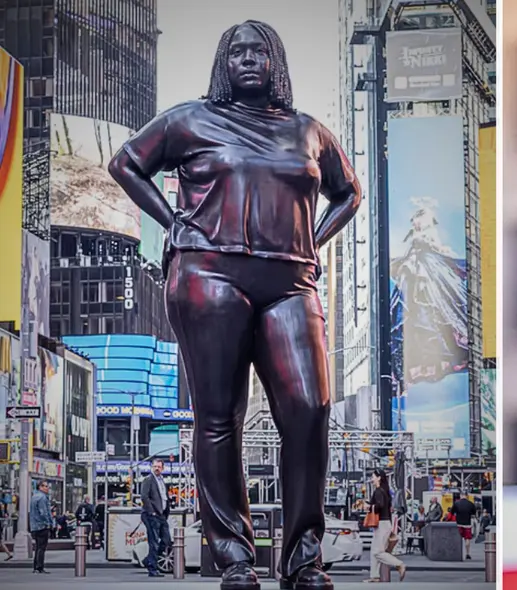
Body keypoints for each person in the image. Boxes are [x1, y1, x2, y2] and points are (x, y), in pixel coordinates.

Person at [108, 19, 360, 590]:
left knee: (310, 409)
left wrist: (311, 242)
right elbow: (125, 162)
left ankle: (303, 558)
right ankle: (235, 558)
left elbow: (349, 193)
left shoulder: (309, 132)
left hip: (291, 281)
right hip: (208, 272)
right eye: (237, 52)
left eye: (260, 52)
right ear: (224, 63)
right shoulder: (188, 119)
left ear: (277, 63)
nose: (249, 60)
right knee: (220, 418)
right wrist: (173, 221)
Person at [363, 469, 405, 583]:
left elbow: (379, 506)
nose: (372, 479)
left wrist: (369, 507)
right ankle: (374, 576)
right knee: (374, 551)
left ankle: (399, 564)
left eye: (373, 477)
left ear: (378, 478)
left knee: (377, 552)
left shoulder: (378, 491)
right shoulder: (384, 492)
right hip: (384, 523)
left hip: (381, 524)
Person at [140, 459, 170, 578]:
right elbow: (144, 496)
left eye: (159, 466)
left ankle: (148, 560)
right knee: (154, 542)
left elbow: (164, 497)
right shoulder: (148, 480)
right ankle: (152, 568)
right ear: (152, 467)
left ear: (163, 468)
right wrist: (151, 511)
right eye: (155, 466)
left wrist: (165, 512)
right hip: (151, 515)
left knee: (166, 540)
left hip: (161, 515)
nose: (157, 468)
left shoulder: (162, 481)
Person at [28, 482, 53, 574]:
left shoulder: (34, 497)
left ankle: (36, 567)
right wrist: (49, 523)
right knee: (42, 547)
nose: (47, 488)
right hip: (42, 525)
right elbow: (44, 512)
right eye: (46, 486)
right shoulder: (42, 497)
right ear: (40, 487)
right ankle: (39, 567)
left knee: (38, 547)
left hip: (34, 526)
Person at [449, 494, 476, 560]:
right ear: (466, 496)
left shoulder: (456, 503)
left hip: (458, 524)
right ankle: (467, 553)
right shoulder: (471, 504)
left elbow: (452, 512)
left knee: (458, 538)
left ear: (461, 496)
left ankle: (457, 553)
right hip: (467, 524)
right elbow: (474, 513)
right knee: (467, 539)